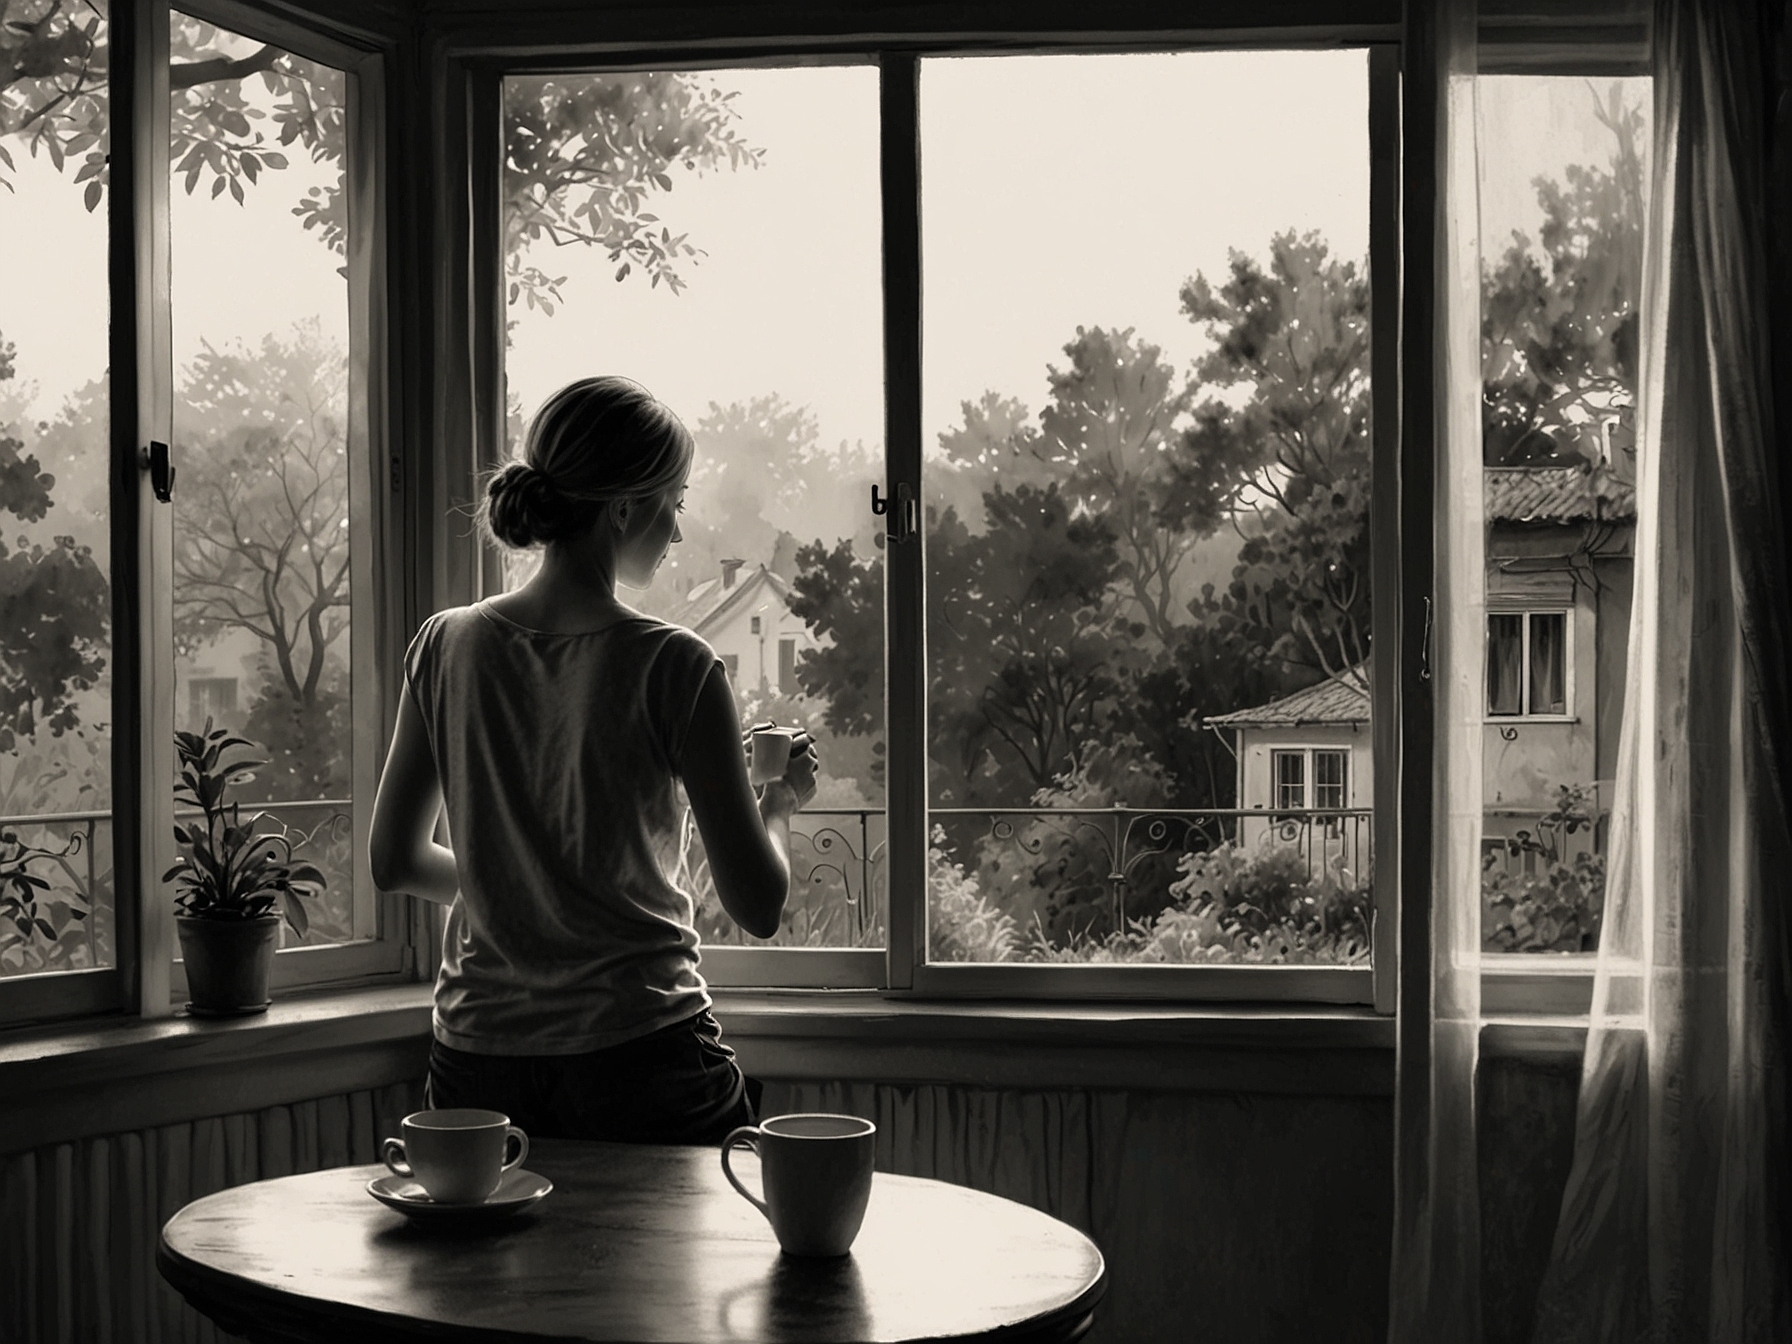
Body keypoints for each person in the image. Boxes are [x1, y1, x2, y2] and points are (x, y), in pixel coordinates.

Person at [368, 375, 818, 1146]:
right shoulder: (675, 665)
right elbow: (757, 904)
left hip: (479, 1062)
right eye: (673, 502)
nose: (676, 531)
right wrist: (775, 802)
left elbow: (395, 861)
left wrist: (516, 892)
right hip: (642, 1055)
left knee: (491, 1270)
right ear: (621, 509)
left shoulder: (445, 646)